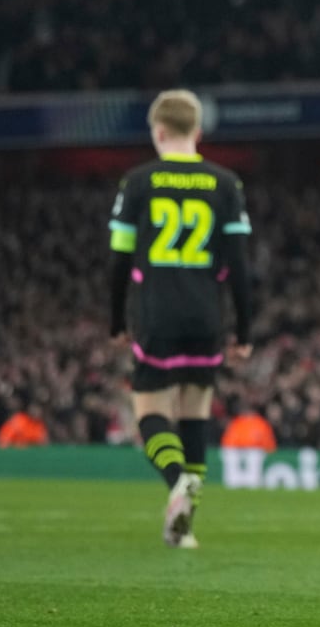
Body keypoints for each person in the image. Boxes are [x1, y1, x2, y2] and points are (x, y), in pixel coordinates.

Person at [108, 89, 254, 548]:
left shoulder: (138, 182)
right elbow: (241, 266)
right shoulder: (226, 184)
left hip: (157, 312)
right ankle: (185, 522)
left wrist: (116, 320)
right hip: (206, 314)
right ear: (198, 132)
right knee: (194, 412)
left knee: (150, 414)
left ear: (158, 132)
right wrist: (243, 329)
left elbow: (118, 260)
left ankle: (177, 483)